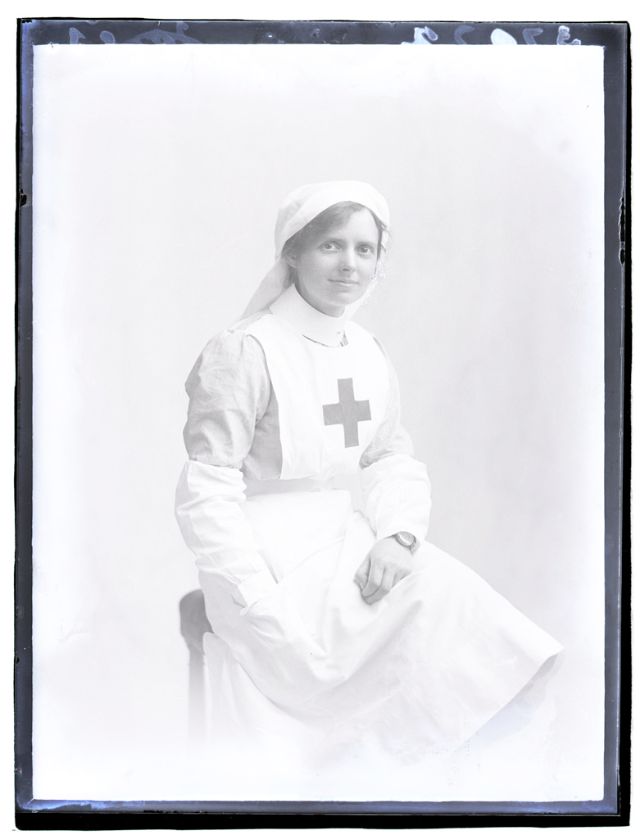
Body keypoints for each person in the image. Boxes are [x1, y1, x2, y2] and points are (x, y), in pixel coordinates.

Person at [175, 180, 562, 765]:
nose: (348, 264)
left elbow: (389, 456)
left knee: (488, 638)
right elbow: (208, 491)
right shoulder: (245, 350)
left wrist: (398, 536)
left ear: (380, 262)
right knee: (410, 646)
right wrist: (254, 599)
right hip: (260, 556)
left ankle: (457, 806)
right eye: (331, 245)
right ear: (292, 255)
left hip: (344, 539)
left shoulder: (365, 350)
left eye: (365, 249)